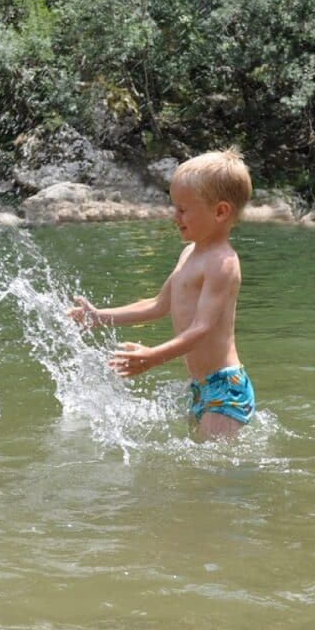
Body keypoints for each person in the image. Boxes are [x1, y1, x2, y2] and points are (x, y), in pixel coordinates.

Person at [67, 149, 255, 440]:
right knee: (200, 464)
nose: (174, 217)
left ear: (219, 212)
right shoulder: (189, 254)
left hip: (225, 387)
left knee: (215, 472)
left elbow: (203, 329)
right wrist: (100, 317)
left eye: (183, 209)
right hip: (200, 386)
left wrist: (153, 357)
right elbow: (157, 305)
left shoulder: (223, 263)